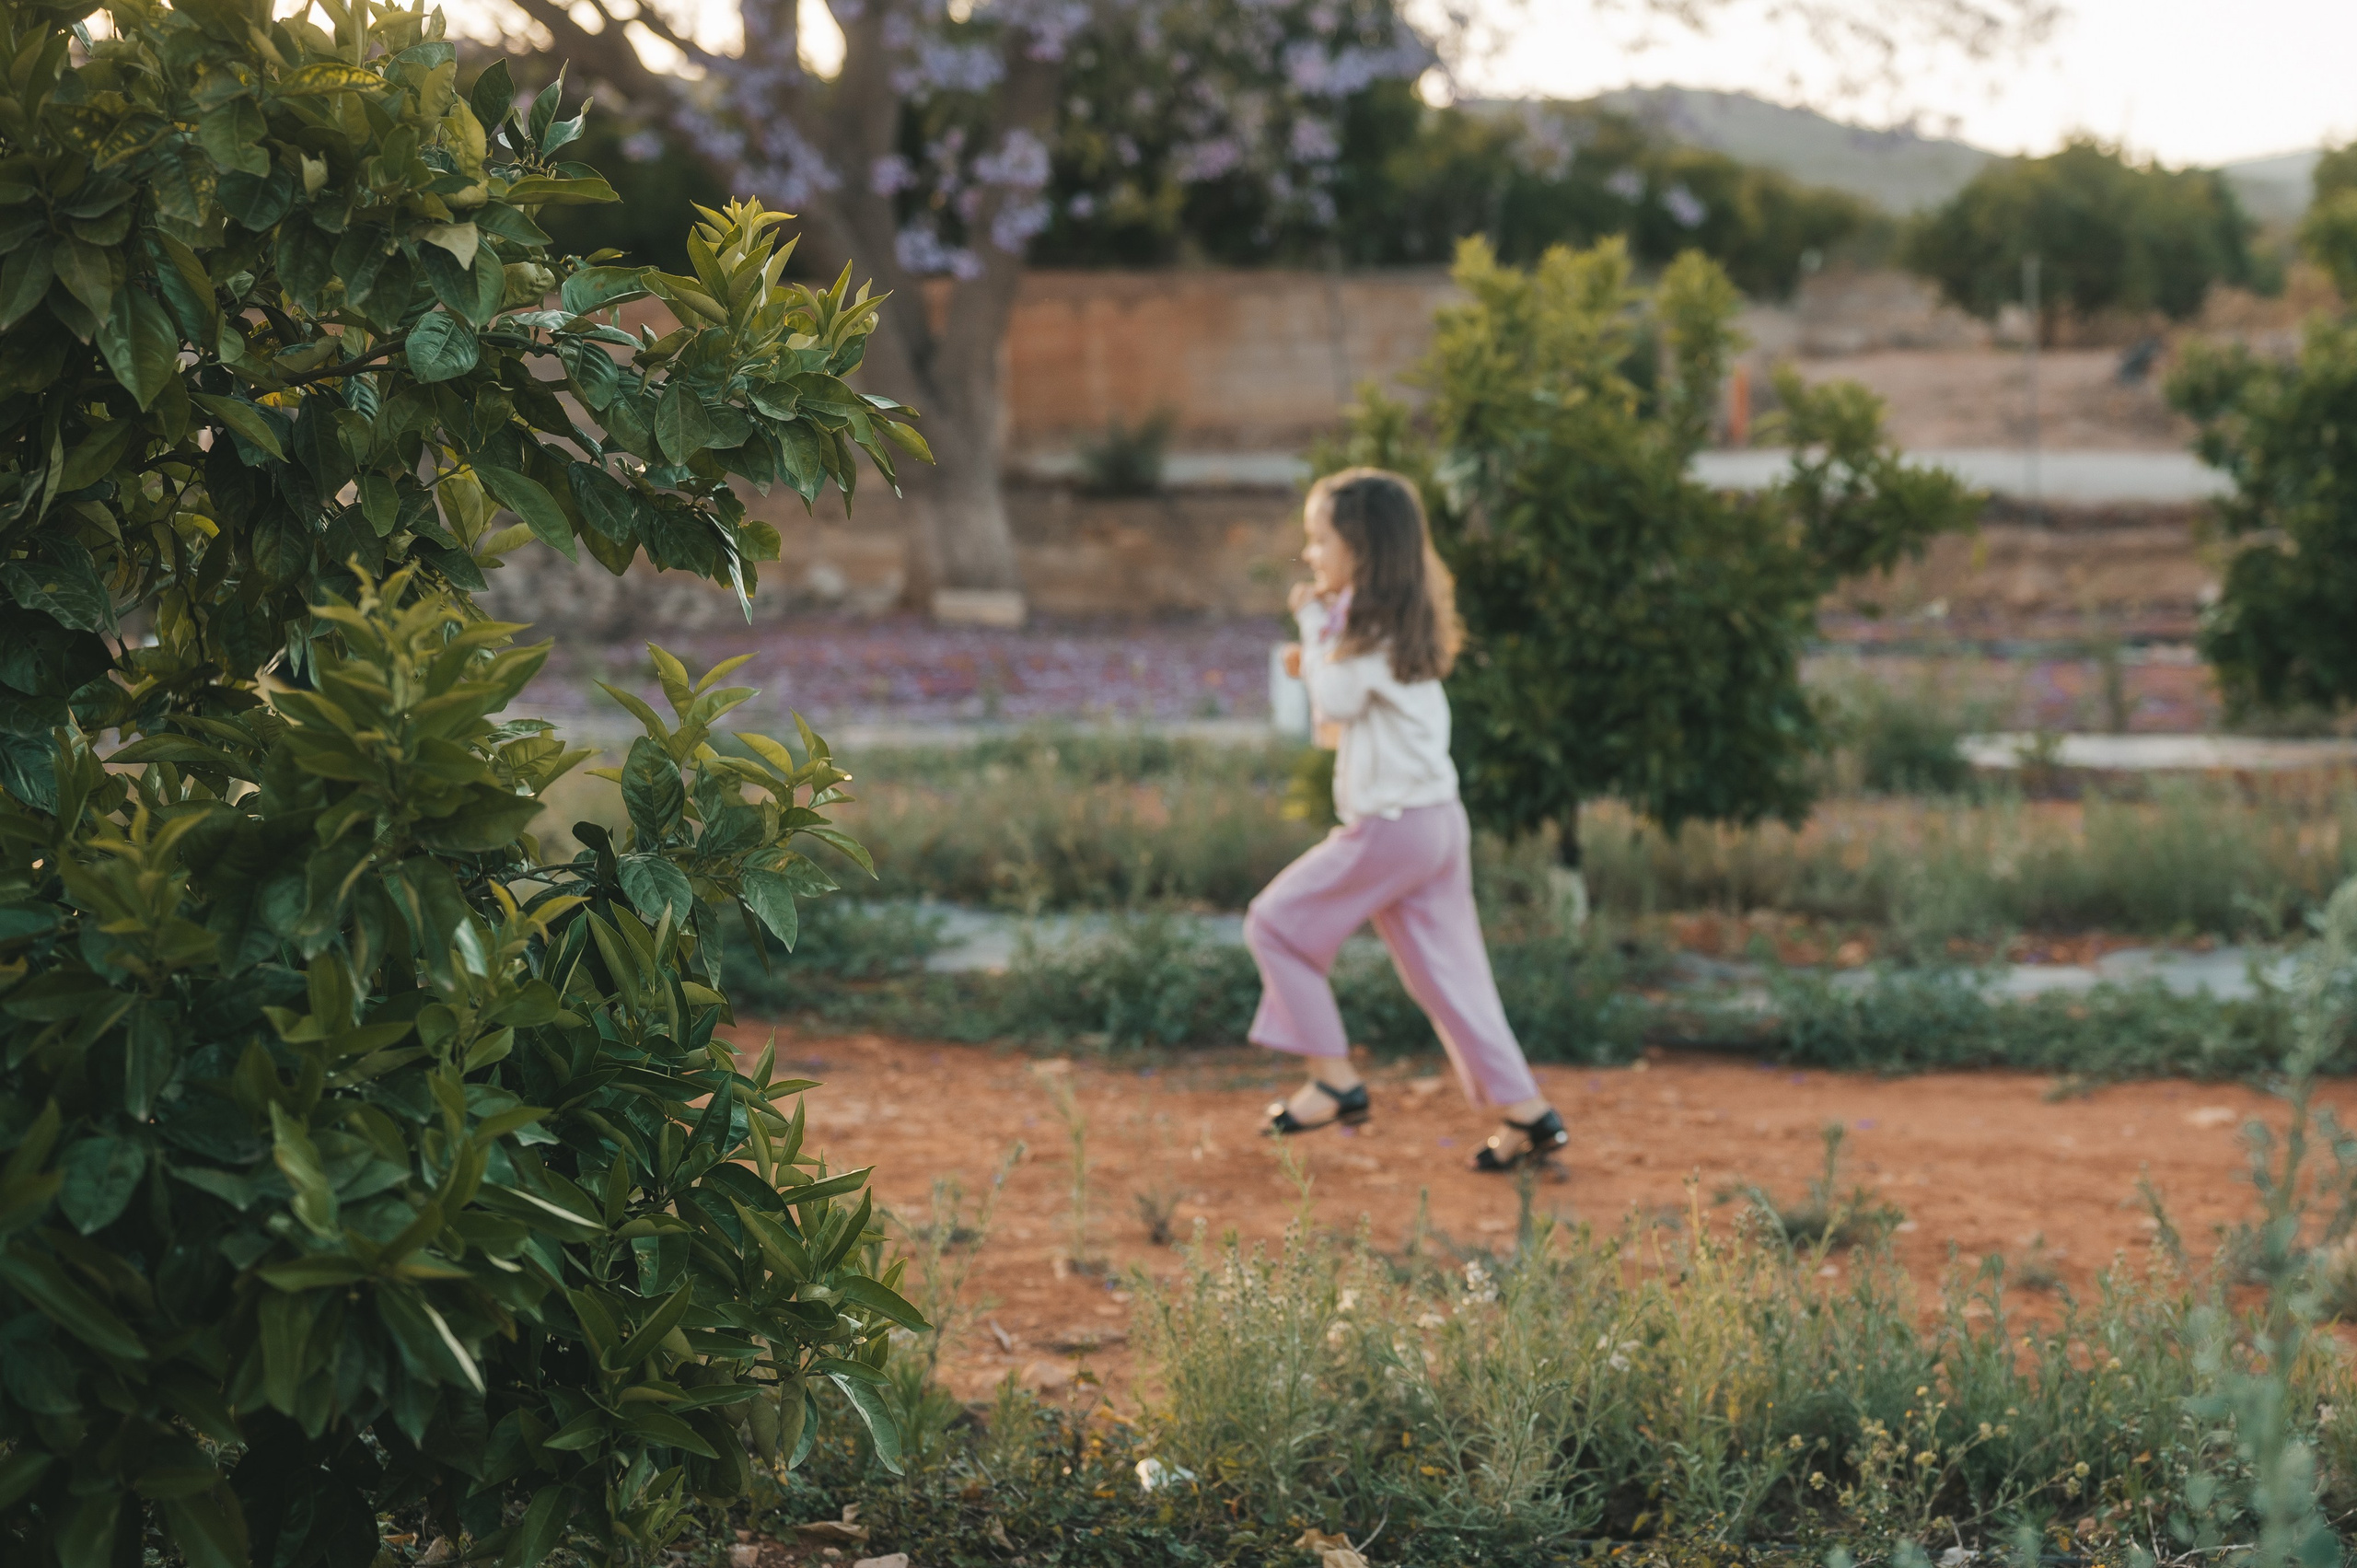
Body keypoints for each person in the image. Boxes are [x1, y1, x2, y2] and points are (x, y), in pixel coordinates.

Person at [1246, 468, 1568, 1173]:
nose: (1309, 554)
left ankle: (1333, 1079)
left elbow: (1335, 700)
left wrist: (1311, 626)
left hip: (1392, 827)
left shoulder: (1366, 630)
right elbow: (1339, 709)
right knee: (1450, 977)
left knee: (1275, 923)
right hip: (1436, 823)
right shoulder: (1396, 622)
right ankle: (1527, 1113)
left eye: (1319, 539)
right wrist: (1320, 649)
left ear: (1361, 547)